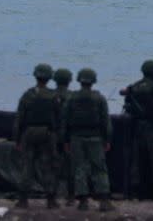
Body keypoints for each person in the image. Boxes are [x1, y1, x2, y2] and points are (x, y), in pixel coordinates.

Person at [62, 68, 114, 212]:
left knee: (79, 168)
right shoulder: (100, 98)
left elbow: (65, 120)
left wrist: (65, 140)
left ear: (79, 80)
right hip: (96, 137)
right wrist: (107, 139)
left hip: (76, 138)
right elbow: (106, 121)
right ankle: (104, 201)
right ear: (93, 81)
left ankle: (83, 201)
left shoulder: (71, 98)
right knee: (99, 169)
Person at [13, 63, 61, 209]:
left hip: (29, 132)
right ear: (49, 78)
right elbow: (58, 118)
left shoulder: (27, 95)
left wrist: (17, 138)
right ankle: (51, 200)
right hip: (47, 133)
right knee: (47, 166)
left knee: (27, 166)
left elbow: (19, 118)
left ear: (36, 76)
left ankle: (23, 199)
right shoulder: (54, 96)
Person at [120, 59, 153, 199]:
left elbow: (127, 103)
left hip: (137, 127)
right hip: (152, 127)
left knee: (137, 160)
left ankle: (135, 192)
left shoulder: (134, 86)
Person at [53, 68, 75, 204]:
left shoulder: (50, 95)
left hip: (52, 135)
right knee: (71, 167)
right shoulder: (73, 96)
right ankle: (71, 197)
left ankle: (51, 197)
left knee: (51, 165)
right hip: (70, 136)